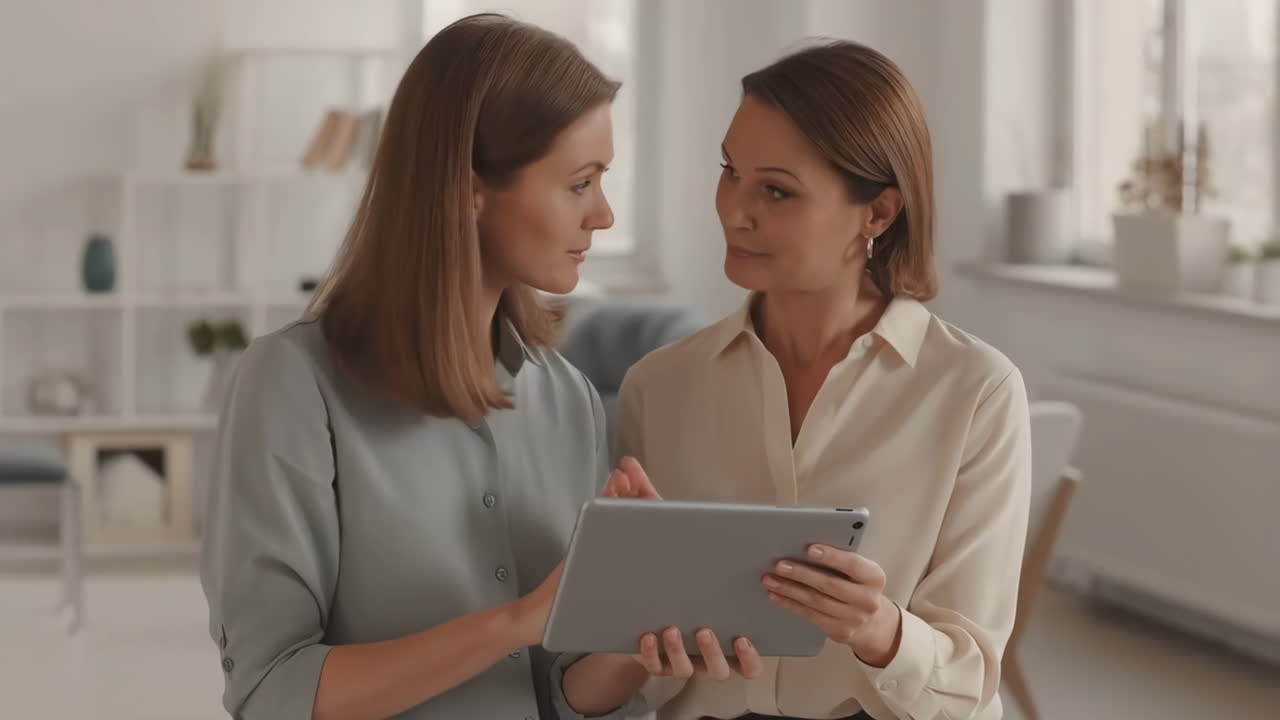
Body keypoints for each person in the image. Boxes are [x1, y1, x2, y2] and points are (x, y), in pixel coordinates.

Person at [199, 14, 668, 720]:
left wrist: (641, 630)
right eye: (580, 183)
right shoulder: (292, 385)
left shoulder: (564, 398)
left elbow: (562, 692)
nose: (601, 214)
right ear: (470, 188)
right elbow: (272, 690)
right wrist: (515, 623)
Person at [564, 41, 1033, 720]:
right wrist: (642, 629)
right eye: (731, 172)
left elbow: (970, 681)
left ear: (877, 213)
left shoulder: (975, 392)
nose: (734, 210)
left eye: (776, 190)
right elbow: (622, 675)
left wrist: (879, 629)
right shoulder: (658, 387)